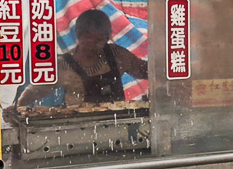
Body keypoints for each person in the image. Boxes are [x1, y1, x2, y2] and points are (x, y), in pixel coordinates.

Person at [15, 9, 147, 108]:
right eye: (88, 38)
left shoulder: (118, 55)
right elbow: (35, 90)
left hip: (118, 126)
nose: (93, 45)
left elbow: (145, 70)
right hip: (79, 130)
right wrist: (17, 106)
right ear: (78, 36)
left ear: (107, 38)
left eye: (99, 40)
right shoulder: (64, 65)